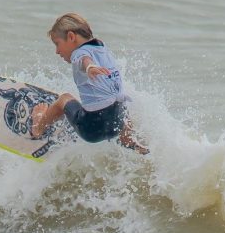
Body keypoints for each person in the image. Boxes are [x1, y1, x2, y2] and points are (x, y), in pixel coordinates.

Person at [31, 13, 149, 154]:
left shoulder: (79, 53)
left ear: (71, 37)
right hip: (115, 125)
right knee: (117, 96)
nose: (57, 51)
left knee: (64, 99)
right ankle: (128, 138)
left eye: (57, 44)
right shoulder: (103, 49)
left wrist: (90, 67)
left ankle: (38, 127)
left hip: (90, 129)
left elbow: (84, 59)